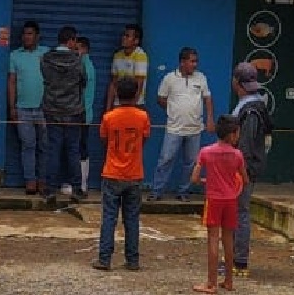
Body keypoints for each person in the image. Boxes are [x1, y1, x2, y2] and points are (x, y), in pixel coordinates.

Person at [92, 77, 150, 272]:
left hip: (112, 172)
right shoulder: (142, 117)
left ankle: (105, 259)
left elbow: (104, 138)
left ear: (117, 93)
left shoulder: (109, 117)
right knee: (132, 219)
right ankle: (132, 260)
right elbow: (144, 139)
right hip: (134, 174)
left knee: (109, 217)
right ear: (136, 94)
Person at [191, 115, 249, 294]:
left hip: (213, 200)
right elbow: (245, 180)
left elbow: (193, 179)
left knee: (213, 240)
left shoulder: (206, 152)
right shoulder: (237, 154)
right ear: (232, 135)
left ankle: (211, 283)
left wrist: (205, 181)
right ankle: (229, 281)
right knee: (228, 240)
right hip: (231, 200)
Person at [149, 47, 215, 202]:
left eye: (196, 61)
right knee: (166, 159)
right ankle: (156, 191)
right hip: (174, 128)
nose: (195, 64)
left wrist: (210, 119)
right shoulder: (169, 78)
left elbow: (207, 99)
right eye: (192, 61)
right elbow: (160, 98)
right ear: (182, 62)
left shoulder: (201, 78)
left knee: (191, 162)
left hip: (195, 128)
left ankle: (183, 192)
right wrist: (173, 109)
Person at [228, 62, 274, 277]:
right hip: (247, 166)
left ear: (237, 83)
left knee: (241, 212)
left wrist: (240, 171)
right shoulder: (255, 105)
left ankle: (239, 261)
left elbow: (245, 145)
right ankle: (234, 258)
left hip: (244, 168)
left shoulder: (251, 110)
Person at [40, 25, 87, 205]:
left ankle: (50, 189)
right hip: (73, 111)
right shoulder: (78, 61)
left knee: (53, 149)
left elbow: (45, 78)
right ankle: (76, 188)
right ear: (71, 41)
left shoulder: (45, 59)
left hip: (52, 109)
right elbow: (83, 82)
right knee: (73, 150)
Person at [8, 20, 50, 195]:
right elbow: (12, 81)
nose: (26, 37)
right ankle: (30, 181)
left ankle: (43, 180)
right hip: (23, 109)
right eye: (24, 34)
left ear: (37, 36)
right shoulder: (15, 55)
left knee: (45, 146)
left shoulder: (46, 53)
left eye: (30, 33)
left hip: (44, 109)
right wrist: (12, 107)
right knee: (28, 145)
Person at [106, 24, 149, 112]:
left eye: (127, 36)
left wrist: (130, 109)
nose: (123, 38)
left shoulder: (140, 55)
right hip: (118, 104)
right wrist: (108, 109)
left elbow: (139, 85)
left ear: (136, 40)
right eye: (123, 35)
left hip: (135, 104)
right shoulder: (117, 55)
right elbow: (113, 83)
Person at [78, 36, 97, 195]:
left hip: (82, 114)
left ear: (84, 49)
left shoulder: (85, 66)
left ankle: (82, 184)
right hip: (82, 114)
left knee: (81, 148)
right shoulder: (85, 65)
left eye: (77, 49)